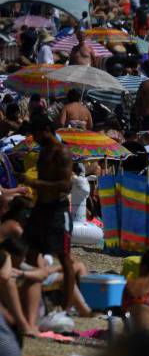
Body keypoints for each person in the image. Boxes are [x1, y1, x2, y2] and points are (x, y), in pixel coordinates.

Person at [22, 116, 79, 316]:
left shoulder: (62, 152)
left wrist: (34, 183)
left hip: (57, 210)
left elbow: (65, 185)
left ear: (47, 129)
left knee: (64, 257)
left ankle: (67, 307)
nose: (35, 138)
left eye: (37, 133)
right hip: (41, 208)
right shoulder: (44, 151)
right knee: (30, 251)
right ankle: (32, 300)